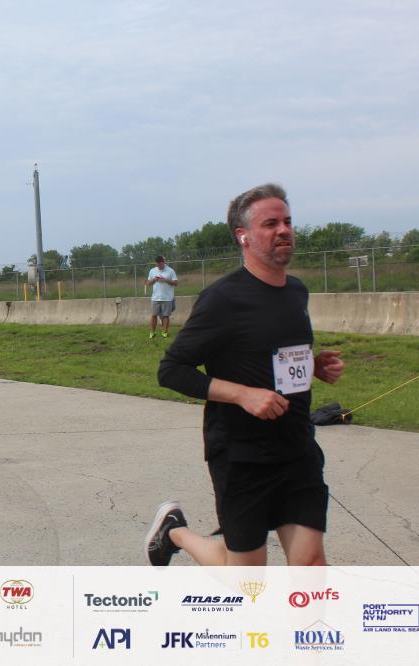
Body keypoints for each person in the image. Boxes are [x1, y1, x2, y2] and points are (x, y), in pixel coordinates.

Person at [146, 184, 344, 567]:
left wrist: (313, 365)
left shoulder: (296, 292)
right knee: (247, 579)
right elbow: (171, 371)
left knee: (311, 566)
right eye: (270, 223)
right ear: (244, 236)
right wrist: (244, 394)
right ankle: (174, 532)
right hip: (243, 456)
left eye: (287, 221)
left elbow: (272, 353)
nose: (284, 230)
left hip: (298, 449)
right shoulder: (223, 299)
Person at [144, 255, 178, 339]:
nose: (159, 266)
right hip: (155, 297)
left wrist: (165, 280)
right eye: (157, 264)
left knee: (165, 316)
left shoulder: (170, 271)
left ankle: (164, 333)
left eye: (160, 264)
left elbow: (176, 283)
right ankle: (152, 333)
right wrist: (154, 279)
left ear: (164, 262)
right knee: (154, 315)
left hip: (167, 298)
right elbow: (148, 284)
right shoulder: (152, 271)